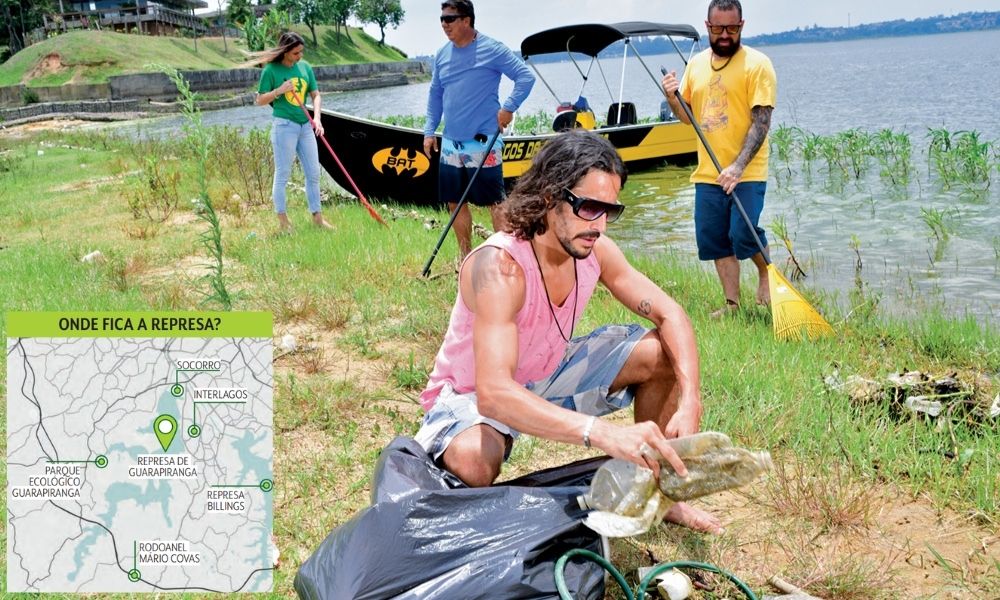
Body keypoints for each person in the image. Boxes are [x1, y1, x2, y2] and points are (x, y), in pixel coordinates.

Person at [414, 130, 723, 534]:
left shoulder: (595, 250)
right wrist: (604, 434)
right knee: (473, 460)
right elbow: (492, 392)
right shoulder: (499, 267)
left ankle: (659, 491)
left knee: (661, 353)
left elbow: (672, 314)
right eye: (589, 207)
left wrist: (691, 400)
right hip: (474, 395)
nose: (601, 227)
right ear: (547, 198)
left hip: (546, 372)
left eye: (610, 211)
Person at [661, 0, 776, 318]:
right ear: (707, 26)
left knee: (743, 233)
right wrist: (672, 96)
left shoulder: (757, 64)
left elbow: (761, 122)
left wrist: (738, 166)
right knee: (714, 239)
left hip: (747, 171)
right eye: (717, 28)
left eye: (732, 28)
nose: (725, 34)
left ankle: (766, 273)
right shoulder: (696, 66)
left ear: (742, 25)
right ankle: (732, 304)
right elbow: (687, 117)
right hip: (708, 172)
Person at [423, 0, 535, 260]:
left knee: (495, 202)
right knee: (455, 201)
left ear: (466, 20)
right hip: (451, 143)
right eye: (441, 19)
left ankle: (504, 259)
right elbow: (435, 95)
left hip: (484, 141)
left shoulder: (492, 49)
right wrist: (429, 131)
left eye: (449, 19)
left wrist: (508, 107)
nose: (444, 24)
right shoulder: (441, 55)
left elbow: (525, 77)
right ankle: (467, 258)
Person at [254, 31, 332, 233]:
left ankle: (318, 219)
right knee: (282, 175)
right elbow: (260, 100)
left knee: (313, 173)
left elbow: (315, 95)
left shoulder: (305, 68)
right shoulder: (271, 70)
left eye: (301, 52)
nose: (300, 56)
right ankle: (284, 222)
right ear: (286, 51)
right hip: (284, 127)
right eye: (296, 53)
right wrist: (280, 90)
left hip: (306, 126)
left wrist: (317, 118)